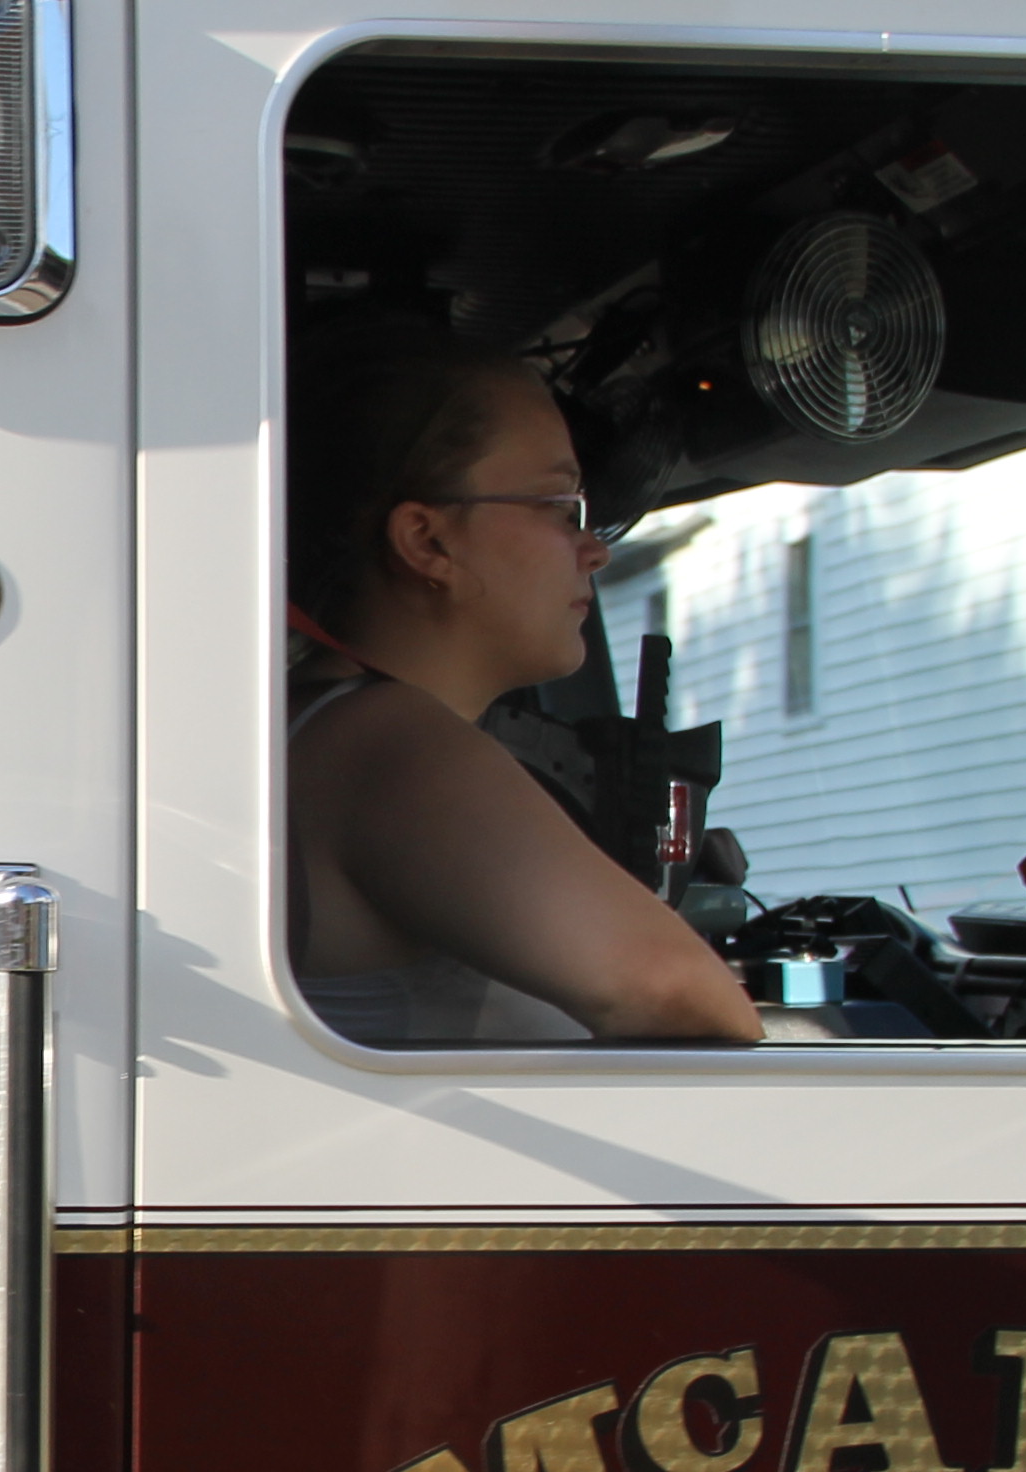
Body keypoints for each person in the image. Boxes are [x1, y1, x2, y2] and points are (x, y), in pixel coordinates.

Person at [286, 328, 759, 1046]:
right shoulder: (389, 745)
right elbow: (679, 996)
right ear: (428, 542)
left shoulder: (328, 726)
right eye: (561, 507)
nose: (595, 550)